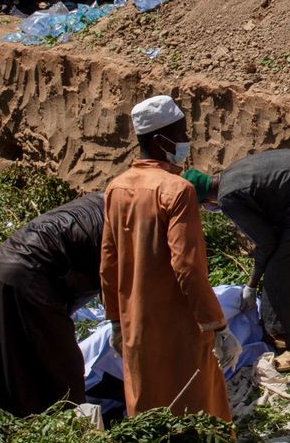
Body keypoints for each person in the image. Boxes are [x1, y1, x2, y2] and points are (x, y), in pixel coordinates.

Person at [100, 94, 239, 421]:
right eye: (180, 134)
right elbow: (187, 267)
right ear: (161, 141)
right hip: (178, 331)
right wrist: (218, 326)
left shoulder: (116, 189)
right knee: (196, 413)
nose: (186, 141)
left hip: (136, 327)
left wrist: (115, 321)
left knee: (149, 415)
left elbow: (108, 264)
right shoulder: (177, 191)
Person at [190, 150, 290, 372]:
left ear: (204, 200)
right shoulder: (230, 175)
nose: (206, 209)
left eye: (202, 206)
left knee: (280, 265)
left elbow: (267, 242)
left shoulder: (228, 198)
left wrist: (252, 284)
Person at [0, 191, 105, 417]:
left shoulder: (106, 203)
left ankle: (4, 420)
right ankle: (60, 430)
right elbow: (118, 288)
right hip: (29, 276)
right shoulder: (124, 225)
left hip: (1, 264)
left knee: (5, 362)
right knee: (61, 372)